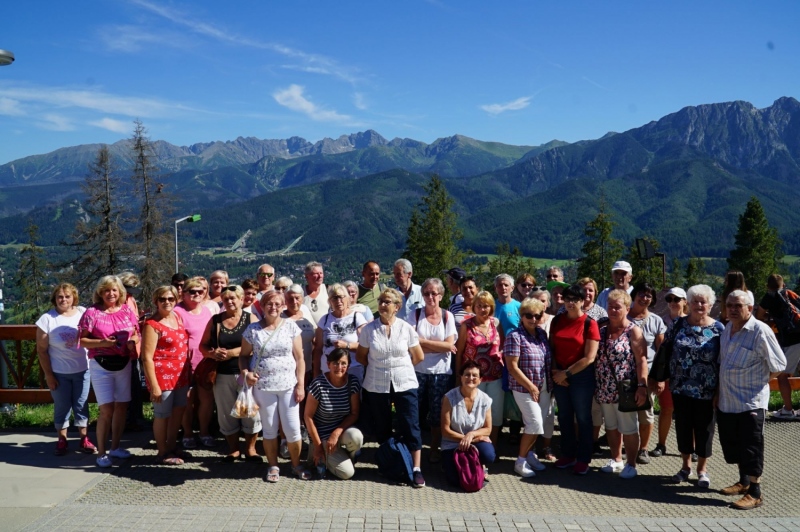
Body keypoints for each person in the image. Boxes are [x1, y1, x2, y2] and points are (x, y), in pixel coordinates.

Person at [717, 290, 786, 510]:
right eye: (730, 305)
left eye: (738, 305)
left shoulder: (760, 331)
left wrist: (760, 381)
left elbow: (779, 365)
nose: (733, 309)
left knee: (751, 447)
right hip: (727, 400)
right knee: (733, 444)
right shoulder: (728, 328)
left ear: (750, 308)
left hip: (751, 401)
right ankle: (744, 481)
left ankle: (755, 493)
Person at [356, 288, 426, 488]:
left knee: (410, 423)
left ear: (397, 307)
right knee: (382, 425)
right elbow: (361, 357)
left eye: (387, 302)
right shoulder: (369, 330)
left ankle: (416, 469)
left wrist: (400, 369)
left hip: (405, 382)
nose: (382, 305)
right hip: (376, 384)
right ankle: (390, 462)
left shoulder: (406, 328)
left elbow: (418, 356)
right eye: (381, 301)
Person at [657, 284, 723, 489]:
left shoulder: (719, 329)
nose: (699, 305)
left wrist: (719, 391)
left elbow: (724, 362)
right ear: (689, 303)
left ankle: (702, 470)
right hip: (680, 387)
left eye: (703, 301)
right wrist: (659, 378)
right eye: (695, 301)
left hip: (707, 389)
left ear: (711, 305)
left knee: (705, 430)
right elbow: (664, 352)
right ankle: (685, 467)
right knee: (683, 427)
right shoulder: (677, 324)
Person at [240, 290, 309, 482]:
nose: (273, 307)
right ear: (262, 306)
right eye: (269, 304)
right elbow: (243, 356)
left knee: (293, 429)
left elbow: (300, 358)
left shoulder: (291, 327)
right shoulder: (252, 330)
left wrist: (301, 385)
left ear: (283, 306)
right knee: (269, 429)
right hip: (263, 387)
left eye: (278, 304)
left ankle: (296, 464)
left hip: (288, 386)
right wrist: (246, 373)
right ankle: (273, 465)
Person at [77, 275, 140, 468]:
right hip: (101, 364)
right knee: (106, 410)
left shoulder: (127, 311)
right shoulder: (92, 313)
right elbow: (82, 340)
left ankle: (116, 447)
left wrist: (132, 343)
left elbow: (136, 333)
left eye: (114, 290)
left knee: (122, 406)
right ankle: (101, 453)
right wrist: (104, 343)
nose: (111, 294)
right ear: (100, 292)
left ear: (120, 292)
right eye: (106, 290)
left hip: (123, 362)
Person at [199, 285, 260, 462]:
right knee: (226, 413)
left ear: (242, 299)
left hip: (246, 373)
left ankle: (250, 449)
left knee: (250, 411)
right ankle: (233, 449)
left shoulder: (251, 319)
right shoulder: (216, 320)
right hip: (222, 374)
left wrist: (233, 353)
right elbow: (202, 345)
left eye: (234, 298)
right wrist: (211, 353)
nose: (230, 302)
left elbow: (258, 345)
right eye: (226, 299)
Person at [36, 283, 96, 456]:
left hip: (83, 370)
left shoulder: (83, 313)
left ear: (74, 298)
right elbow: (41, 350)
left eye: (67, 296)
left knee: (81, 405)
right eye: (60, 297)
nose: (63, 300)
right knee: (62, 406)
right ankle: (62, 440)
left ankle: (84, 438)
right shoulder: (47, 319)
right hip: (59, 372)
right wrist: (49, 375)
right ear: (54, 299)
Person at [595, 290, 648, 479]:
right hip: (604, 386)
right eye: (610, 306)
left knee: (628, 427)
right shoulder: (601, 329)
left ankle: (631, 464)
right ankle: (616, 459)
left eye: (617, 307)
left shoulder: (633, 330)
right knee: (610, 426)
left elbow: (642, 359)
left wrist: (642, 385)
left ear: (627, 308)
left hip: (625, 387)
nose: (613, 310)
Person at [549, 283, 600, 475]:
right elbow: (551, 348)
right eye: (567, 299)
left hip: (581, 377)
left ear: (582, 301)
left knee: (583, 417)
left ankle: (584, 458)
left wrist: (567, 374)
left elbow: (590, 357)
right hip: (559, 374)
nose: (570, 303)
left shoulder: (590, 323)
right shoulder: (557, 321)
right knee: (563, 416)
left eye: (575, 300)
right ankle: (568, 454)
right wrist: (556, 372)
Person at [406, 278, 457, 463]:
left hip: (440, 372)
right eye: (426, 293)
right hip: (417, 370)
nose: (429, 297)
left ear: (441, 296)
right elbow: (411, 344)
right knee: (414, 412)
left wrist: (423, 343)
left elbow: (450, 344)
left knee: (437, 414)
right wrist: (440, 346)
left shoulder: (447, 316)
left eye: (433, 293)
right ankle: (414, 449)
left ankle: (435, 448)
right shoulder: (415, 314)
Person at [141, 286, 191, 465]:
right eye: (162, 299)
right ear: (156, 301)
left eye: (170, 299)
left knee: (178, 413)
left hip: (180, 375)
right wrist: (154, 385)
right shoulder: (152, 325)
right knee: (162, 415)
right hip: (162, 377)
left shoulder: (177, 318)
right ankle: (162, 451)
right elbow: (146, 357)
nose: (167, 302)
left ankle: (172, 446)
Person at [504, 297, 552, 477]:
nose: (533, 319)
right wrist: (531, 386)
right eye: (529, 315)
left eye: (537, 315)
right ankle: (520, 461)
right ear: (521, 316)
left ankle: (531, 455)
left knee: (535, 425)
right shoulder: (514, 336)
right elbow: (512, 367)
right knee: (535, 423)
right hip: (524, 387)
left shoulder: (541, 334)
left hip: (544, 386)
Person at [304, 348, 363, 480]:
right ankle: (318, 454)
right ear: (328, 364)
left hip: (340, 432)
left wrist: (336, 433)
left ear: (348, 366)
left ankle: (342, 457)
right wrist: (318, 446)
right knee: (347, 473)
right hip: (321, 436)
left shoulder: (352, 382)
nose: (339, 367)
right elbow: (308, 417)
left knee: (356, 437)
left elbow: (354, 413)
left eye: (343, 363)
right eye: (335, 363)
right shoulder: (318, 384)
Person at [455, 291, 504, 445]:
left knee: (495, 413)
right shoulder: (466, 325)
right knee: (475, 413)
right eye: (479, 306)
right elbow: (459, 351)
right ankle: (475, 448)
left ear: (491, 308)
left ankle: (492, 445)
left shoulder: (496, 323)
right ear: (474, 307)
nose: (483, 309)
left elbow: (502, 346)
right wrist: (459, 376)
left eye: (486, 306)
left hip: (495, 375)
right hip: (472, 378)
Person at [626, 282, 667, 465]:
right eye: (641, 294)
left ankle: (643, 449)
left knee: (646, 414)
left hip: (647, 375)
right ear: (634, 295)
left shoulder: (656, 321)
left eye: (649, 296)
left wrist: (659, 377)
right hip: (624, 374)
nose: (644, 298)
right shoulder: (623, 316)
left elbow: (661, 352)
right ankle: (625, 447)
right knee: (625, 413)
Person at [173, 277, 215, 450]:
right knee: (187, 401)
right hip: (184, 363)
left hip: (205, 362)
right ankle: (188, 433)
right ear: (184, 293)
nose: (197, 294)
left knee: (206, 400)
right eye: (192, 291)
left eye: (200, 291)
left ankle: (204, 432)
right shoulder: (177, 312)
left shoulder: (207, 311)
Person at [440, 361, 495, 489]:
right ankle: (449, 464)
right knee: (454, 480)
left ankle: (480, 464)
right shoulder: (449, 397)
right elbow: (445, 430)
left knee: (489, 455)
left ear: (480, 380)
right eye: (467, 374)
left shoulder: (485, 399)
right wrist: (467, 439)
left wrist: (471, 435)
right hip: (452, 443)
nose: (470, 378)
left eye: (475, 375)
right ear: (461, 377)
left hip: (475, 441)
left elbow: (488, 429)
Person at [755, 274, 800, 420]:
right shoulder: (790, 293)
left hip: (792, 340)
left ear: (768, 286)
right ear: (783, 284)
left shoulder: (769, 297)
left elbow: (759, 316)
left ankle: (788, 410)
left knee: (782, 375)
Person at [650, 286, 688, 458]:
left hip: (686, 374)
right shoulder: (661, 322)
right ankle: (661, 444)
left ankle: (690, 448)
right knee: (666, 409)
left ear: (684, 302)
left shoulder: (691, 322)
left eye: (676, 299)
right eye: (669, 299)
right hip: (666, 373)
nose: (672, 303)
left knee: (686, 413)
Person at [313, 283, 368, 382]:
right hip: (328, 369)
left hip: (352, 368)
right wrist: (316, 374)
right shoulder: (324, 320)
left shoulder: (357, 318)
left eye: (341, 297)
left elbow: (366, 345)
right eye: (334, 298)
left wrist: (347, 345)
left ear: (347, 299)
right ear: (330, 301)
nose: (338, 301)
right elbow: (318, 349)